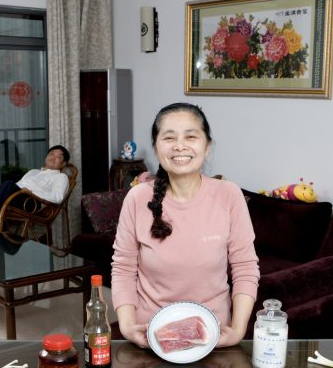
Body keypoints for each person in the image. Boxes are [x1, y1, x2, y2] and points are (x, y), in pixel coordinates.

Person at [111, 103, 259, 349]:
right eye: (169, 137)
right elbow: (123, 269)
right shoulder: (137, 198)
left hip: (214, 337)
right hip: (151, 337)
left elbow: (245, 267)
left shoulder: (229, 195)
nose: (180, 145)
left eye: (191, 136)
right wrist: (127, 327)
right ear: (157, 148)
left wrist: (238, 330)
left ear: (207, 146)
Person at [0, 145, 71, 232]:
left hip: (29, 202)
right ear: (46, 156)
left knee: (8, 184)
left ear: (63, 164)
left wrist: (32, 192)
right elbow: (17, 186)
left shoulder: (61, 177)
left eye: (58, 157)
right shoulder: (33, 172)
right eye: (51, 154)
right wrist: (1, 188)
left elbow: (58, 198)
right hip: (14, 196)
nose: (53, 157)